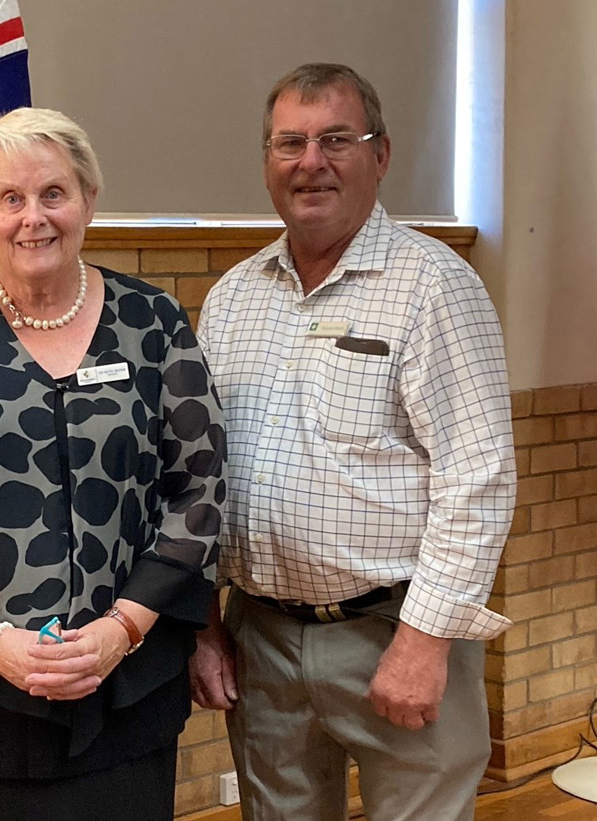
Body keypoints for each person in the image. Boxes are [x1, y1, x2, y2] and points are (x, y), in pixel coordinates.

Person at [0, 107, 226, 821]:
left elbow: (199, 490)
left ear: (88, 197)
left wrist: (120, 630)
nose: (35, 217)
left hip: (126, 687)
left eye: (54, 193)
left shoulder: (154, 324)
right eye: (11, 198)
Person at [191, 63, 515, 821]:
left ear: (382, 154)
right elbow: (200, 477)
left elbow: (480, 480)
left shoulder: (435, 287)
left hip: (394, 631)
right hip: (261, 639)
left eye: (337, 139)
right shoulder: (233, 298)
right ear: (267, 160)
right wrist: (204, 624)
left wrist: (425, 642)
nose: (312, 162)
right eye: (290, 143)